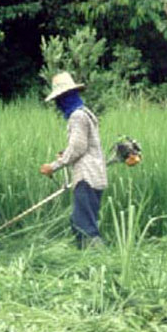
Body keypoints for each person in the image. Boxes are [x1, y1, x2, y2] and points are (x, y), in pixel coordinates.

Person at [40, 72, 107, 248]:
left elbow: (78, 148)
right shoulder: (86, 113)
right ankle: (87, 260)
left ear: (65, 97)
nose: (58, 105)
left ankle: (98, 261)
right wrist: (66, 154)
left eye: (59, 100)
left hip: (86, 177)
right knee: (82, 221)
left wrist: (53, 166)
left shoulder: (77, 116)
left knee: (84, 226)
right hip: (95, 176)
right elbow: (82, 146)